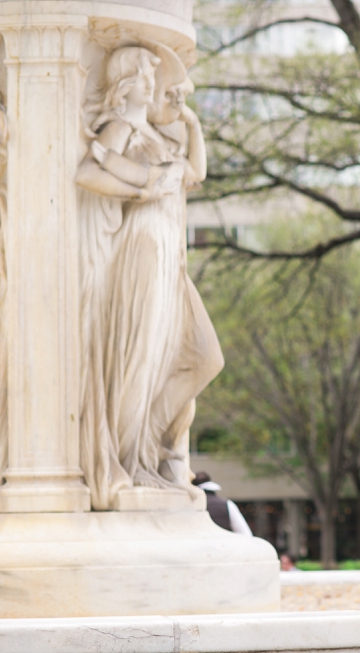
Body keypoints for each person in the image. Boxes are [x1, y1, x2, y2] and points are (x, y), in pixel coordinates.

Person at [75, 45, 223, 509]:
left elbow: (195, 173)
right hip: (140, 249)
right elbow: (86, 173)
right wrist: (141, 188)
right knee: (139, 357)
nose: (152, 85)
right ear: (125, 85)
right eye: (144, 77)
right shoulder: (120, 126)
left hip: (168, 255)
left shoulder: (160, 135)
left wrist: (193, 123)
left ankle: (147, 446)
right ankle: (130, 459)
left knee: (202, 356)